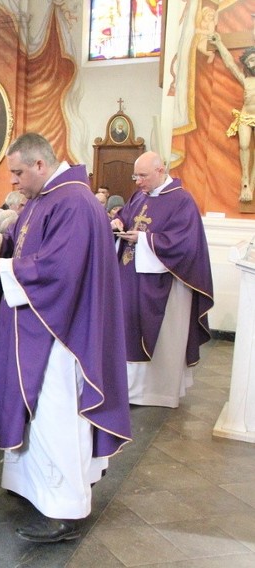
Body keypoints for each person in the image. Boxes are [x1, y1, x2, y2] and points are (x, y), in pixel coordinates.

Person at [0, 132, 131, 543]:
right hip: (42, 327)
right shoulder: (47, 198)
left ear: (40, 165)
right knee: (39, 417)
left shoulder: (73, 202)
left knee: (56, 418)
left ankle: (64, 510)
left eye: (18, 172)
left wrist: (6, 270)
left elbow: (59, 268)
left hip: (62, 333)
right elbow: (28, 244)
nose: (14, 181)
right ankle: (35, 489)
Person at [111, 151, 214, 408]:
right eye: (136, 175)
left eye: (143, 176)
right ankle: (128, 388)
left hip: (163, 284)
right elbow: (127, 216)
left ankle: (155, 392)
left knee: (157, 334)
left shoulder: (182, 201)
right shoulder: (139, 196)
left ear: (161, 171)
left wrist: (144, 240)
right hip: (130, 277)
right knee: (126, 328)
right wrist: (116, 221)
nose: (137, 181)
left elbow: (185, 244)